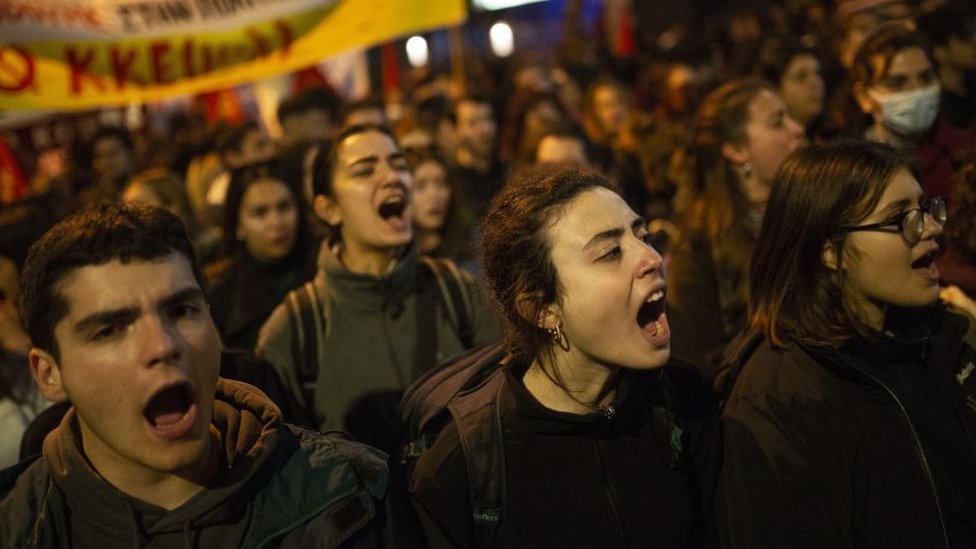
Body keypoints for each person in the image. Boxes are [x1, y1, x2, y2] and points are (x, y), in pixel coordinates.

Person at [0, 202, 389, 547]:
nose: (162, 346)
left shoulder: (355, 494)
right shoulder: (20, 527)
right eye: (109, 330)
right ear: (49, 374)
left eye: (181, 311)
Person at [409, 167, 713, 547]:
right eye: (610, 252)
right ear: (541, 308)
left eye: (642, 235)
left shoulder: (685, 403)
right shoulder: (468, 461)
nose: (651, 258)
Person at [716, 140, 976, 547]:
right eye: (899, 219)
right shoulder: (781, 397)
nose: (932, 228)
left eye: (925, 208)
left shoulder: (939, 339)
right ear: (829, 251)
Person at [256, 124, 499, 454]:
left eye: (399, 165)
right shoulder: (294, 331)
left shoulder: (457, 290)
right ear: (328, 208)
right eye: (365, 171)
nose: (391, 177)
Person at [667, 77, 804, 380]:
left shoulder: (809, 210)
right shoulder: (700, 244)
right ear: (736, 150)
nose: (797, 129)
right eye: (777, 122)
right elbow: (698, 357)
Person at [850, 23, 976, 200]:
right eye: (897, 83)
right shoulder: (851, 171)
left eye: (925, 77)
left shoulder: (968, 151)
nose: (917, 91)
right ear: (864, 97)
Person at [204, 157, 316, 350]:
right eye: (260, 213)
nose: (277, 222)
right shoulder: (218, 293)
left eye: (284, 207)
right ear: (238, 223)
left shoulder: (323, 269)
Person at [406, 148, 475, 268]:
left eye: (442, 183)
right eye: (420, 186)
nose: (434, 195)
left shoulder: (473, 248)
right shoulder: (395, 262)